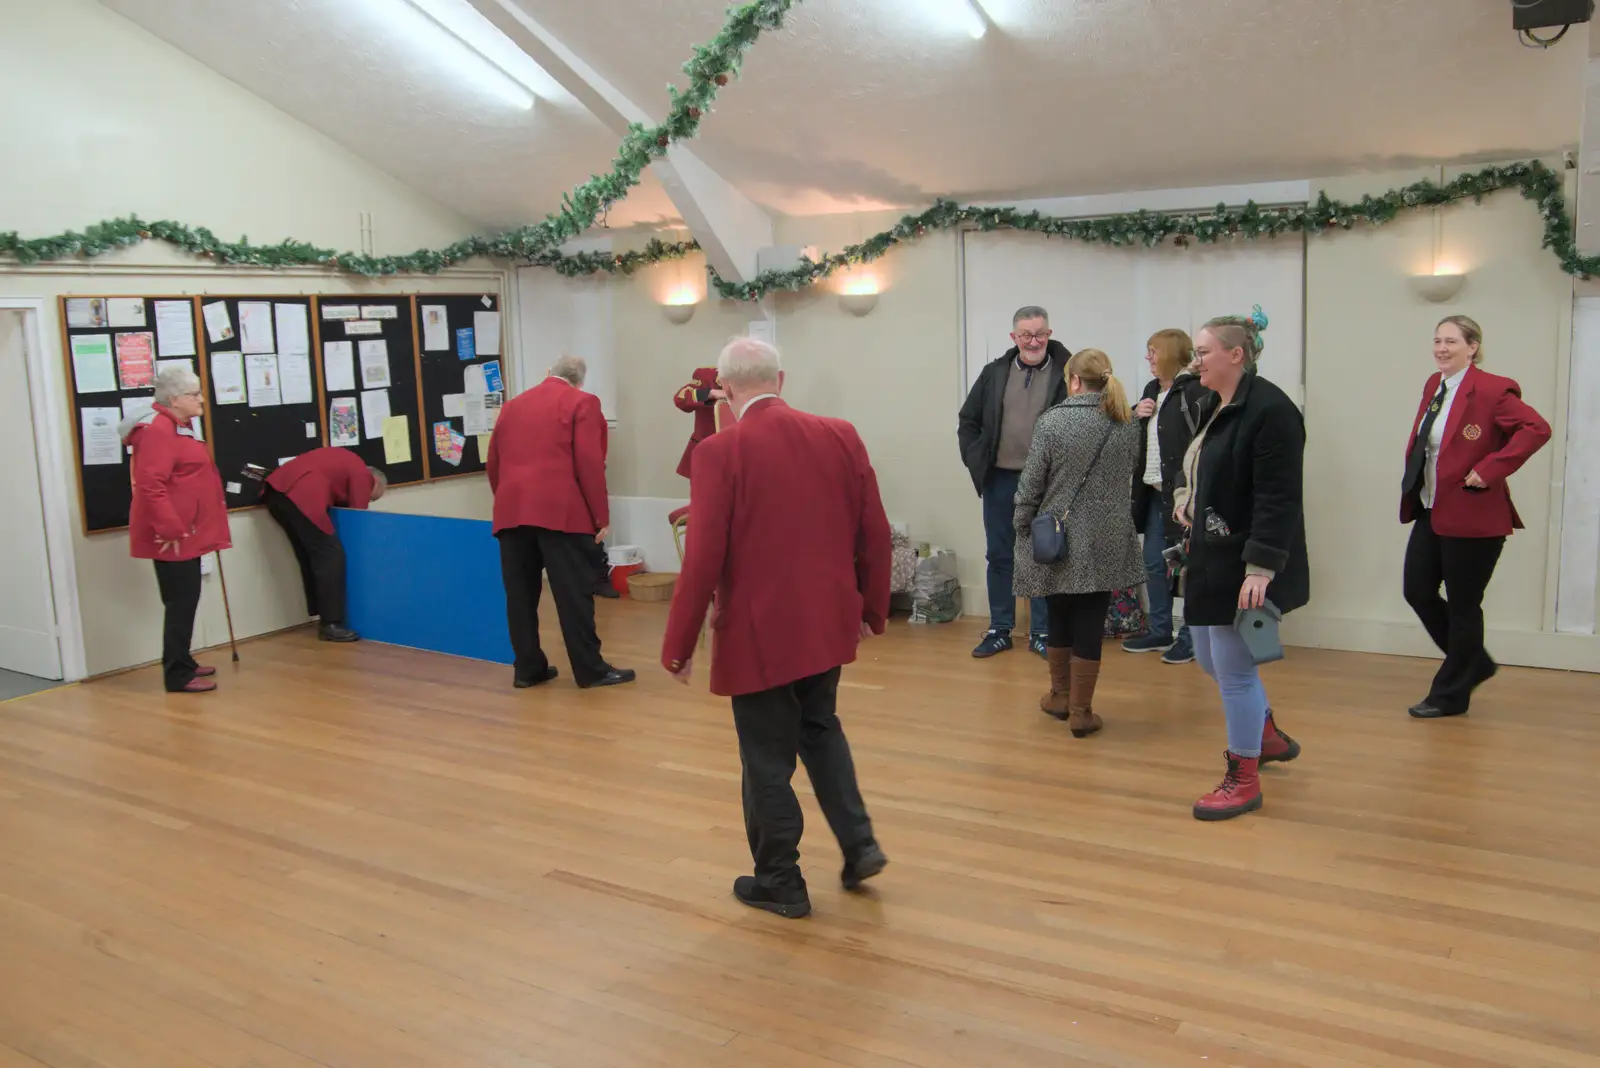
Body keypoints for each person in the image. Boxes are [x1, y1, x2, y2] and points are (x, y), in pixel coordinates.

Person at [661, 337, 892, 920]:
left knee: (766, 756)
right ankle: (859, 844)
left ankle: (780, 880)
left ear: (728, 391)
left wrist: (678, 645)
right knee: (820, 728)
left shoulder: (721, 452)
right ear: (780, 381)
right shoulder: (840, 433)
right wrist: (871, 608)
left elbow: (703, 556)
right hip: (826, 621)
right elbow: (875, 531)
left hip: (760, 630)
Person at [1175, 308, 1307, 821]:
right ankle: (1267, 734)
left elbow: (1278, 497)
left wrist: (1261, 567)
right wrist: (1188, 497)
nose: (1195, 361)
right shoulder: (1215, 403)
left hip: (1246, 562)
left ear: (1236, 354)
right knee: (1209, 660)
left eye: (1203, 351)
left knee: (1233, 671)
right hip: (1211, 554)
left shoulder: (1271, 410)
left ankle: (1243, 777)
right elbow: (1202, 466)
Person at [1399, 315, 1550, 719]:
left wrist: (1491, 469)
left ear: (1473, 347)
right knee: (1418, 590)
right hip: (1432, 508)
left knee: (1465, 605)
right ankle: (1473, 663)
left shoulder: (1494, 389)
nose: (1441, 348)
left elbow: (1536, 428)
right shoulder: (1436, 385)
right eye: (1437, 341)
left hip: (1474, 515)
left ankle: (1451, 692)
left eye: (1451, 341)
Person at [1013, 350, 1146, 737]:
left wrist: (1021, 521)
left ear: (1073, 381)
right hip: (1108, 534)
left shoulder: (1053, 422)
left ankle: (1059, 695)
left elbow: (1033, 481)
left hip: (1060, 534)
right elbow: (1129, 474)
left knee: (1059, 613)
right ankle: (1082, 711)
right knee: (1091, 618)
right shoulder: (1126, 423)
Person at [488, 355, 634, 690]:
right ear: (580, 382)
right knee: (573, 594)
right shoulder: (583, 402)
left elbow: (494, 462)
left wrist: (508, 501)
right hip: (561, 512)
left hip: (512, 512)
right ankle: (590, 670)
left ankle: (528, 669)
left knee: (520, 596)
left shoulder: (511, 406)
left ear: (547, 374)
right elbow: (589, 462)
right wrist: (600, 517)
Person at [958, 306, 1071, 660]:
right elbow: (968, 420)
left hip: (1047, 482)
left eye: (1040, 334)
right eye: (1026, 335)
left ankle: (1042, 632)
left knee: (1044, 554)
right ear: (1014, 338)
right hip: (1000, 479)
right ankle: (1000, 630)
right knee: (1000, 554)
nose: (1034, 341)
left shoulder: (1069, 373)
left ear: (1049, 334)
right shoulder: (994, 373)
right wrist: (978, 459)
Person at [119, 366, 231, 694]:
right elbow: (150, 485)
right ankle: (177, 673)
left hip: (187, 531)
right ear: (173, 399)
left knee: (187, 598)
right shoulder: (158, 431)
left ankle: (183, 659)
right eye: (194, 394)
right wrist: (170, 528)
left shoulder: (179, 425)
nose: (201, 399)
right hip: (172, 535)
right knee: (181, 601)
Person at [1124, 329, 1212, 664]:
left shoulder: (1193, 389)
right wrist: (1134, 414)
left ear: (1171, 354)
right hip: (1152, 493)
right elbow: (1143, 436)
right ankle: (1160, 629)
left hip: (1182, 497)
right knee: (1153, 562)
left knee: (1186, 567)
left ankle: (1189, 638)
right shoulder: (1151, 390)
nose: (1148, 358)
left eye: (1153, 351)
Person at [262, 447, 387, 642]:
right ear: (375, 482)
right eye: (373, 497)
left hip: (275, 493)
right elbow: (357, 517)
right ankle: (331, 624)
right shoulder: (363, 474)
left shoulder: (344, 462)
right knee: (330, 556)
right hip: (302, 495)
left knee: (310, 554)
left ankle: (320, 611)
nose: (369, 499)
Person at [673, 365, 723, 479]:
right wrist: (710, 393)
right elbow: (681, 398)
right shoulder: (707, 376)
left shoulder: (764, 380)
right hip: (708, 452)